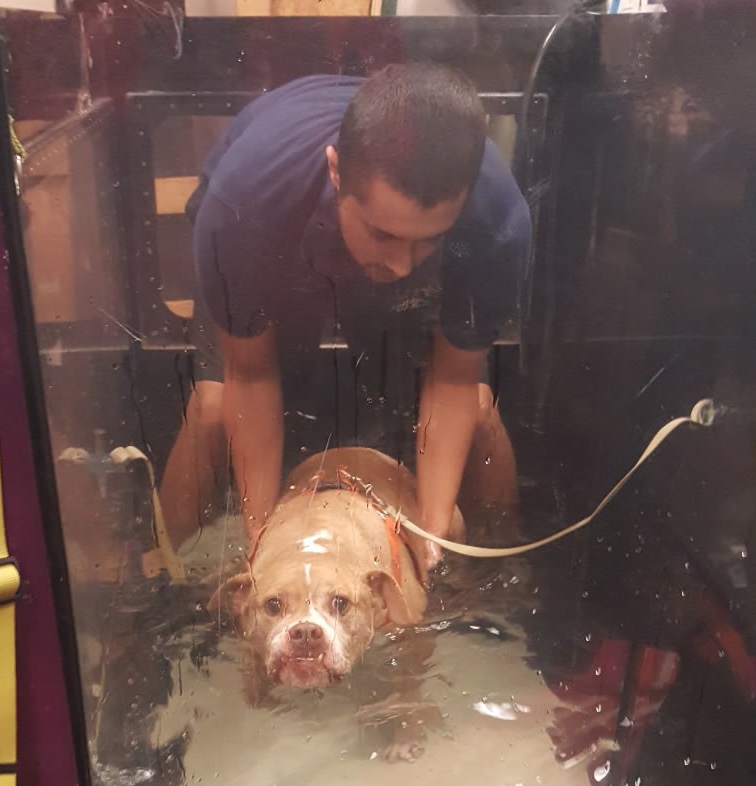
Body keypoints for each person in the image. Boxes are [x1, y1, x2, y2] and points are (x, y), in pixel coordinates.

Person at [161, 63, 531, 570]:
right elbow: (250, 372)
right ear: (335, 173)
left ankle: (504, 574)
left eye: (429, 237)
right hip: (277, 231)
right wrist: (263, 544)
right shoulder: (243, 205)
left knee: (481, 409)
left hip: (387, 231)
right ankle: (164, 576)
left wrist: (433, 545)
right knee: (212, 405)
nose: (403, 264)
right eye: (385, 235)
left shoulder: (496, 220)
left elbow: (454, 381)